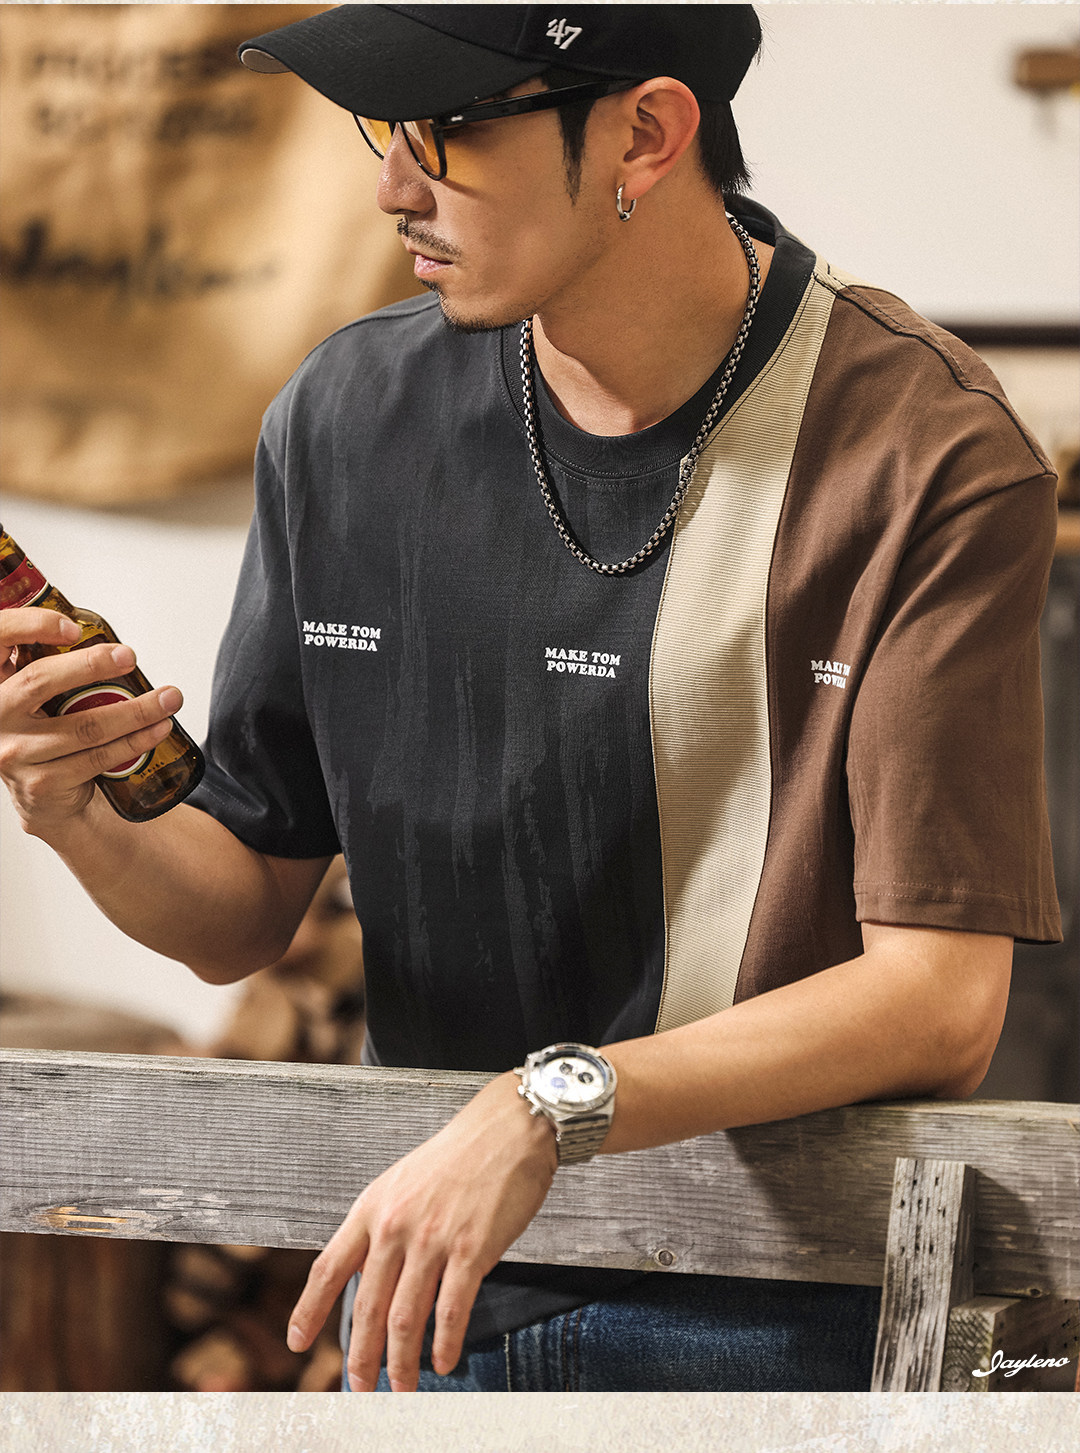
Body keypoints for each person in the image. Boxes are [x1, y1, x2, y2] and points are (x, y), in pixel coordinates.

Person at [0, 5, 1061, 1393]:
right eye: (385, 131)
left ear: (645, 134)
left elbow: (938, 1001)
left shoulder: (928, 453)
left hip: (778, 1314)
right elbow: (236, 913)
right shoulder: (346, 416)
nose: (394, 186)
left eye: (448, 130)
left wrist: (547, 1104)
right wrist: (72, 805)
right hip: (428, 1301)